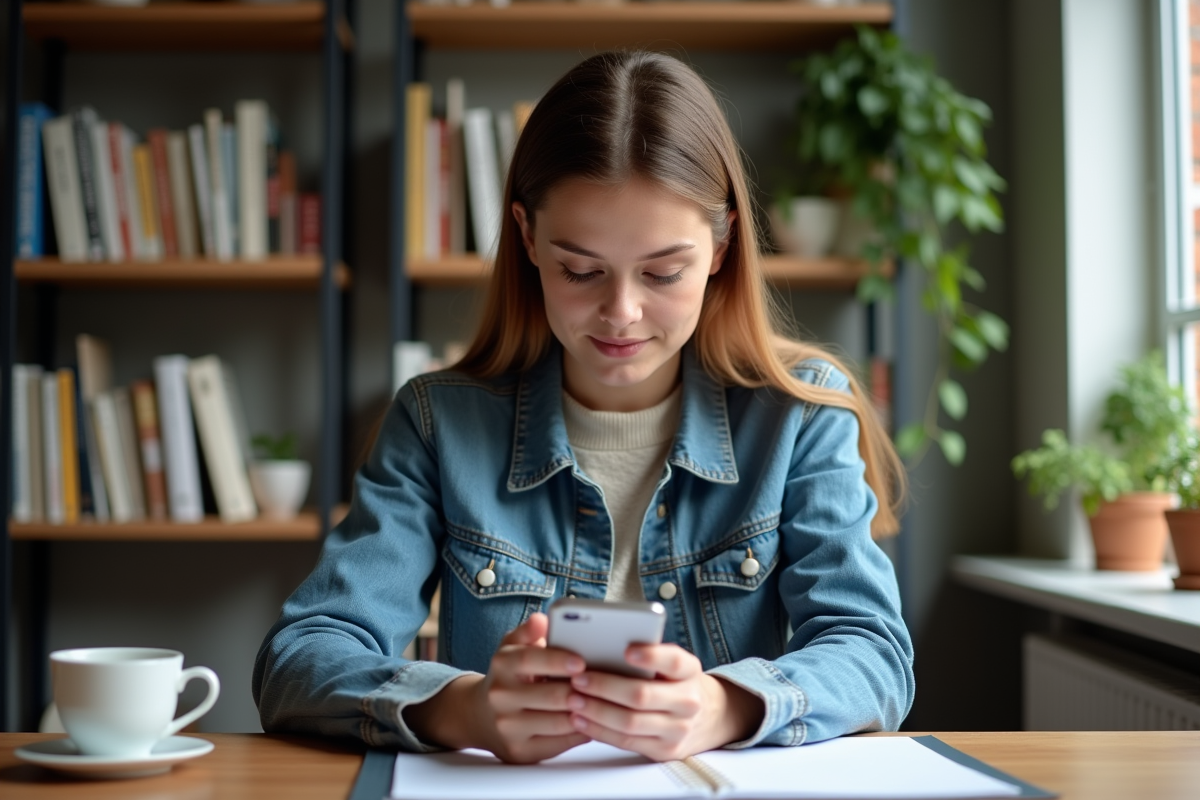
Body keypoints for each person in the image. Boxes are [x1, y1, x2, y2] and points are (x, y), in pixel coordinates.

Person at [253, 50, 914, 765]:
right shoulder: (437, 423)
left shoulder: (800, 415)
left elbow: (873, 654)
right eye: (580, 269)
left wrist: (722, 707)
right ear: (527, 237)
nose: (621, 313)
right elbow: (299, 658)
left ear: (721, 246)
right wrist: (465, 710)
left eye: (663, 271)